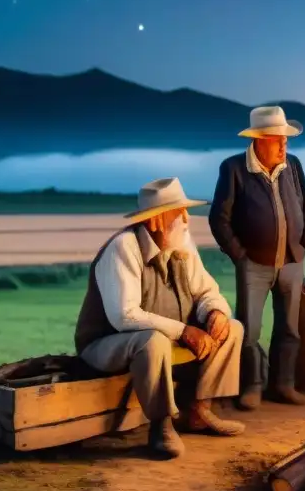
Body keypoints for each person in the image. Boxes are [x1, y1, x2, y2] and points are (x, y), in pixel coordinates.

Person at [74, 177, 245, 459]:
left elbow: (206, 290)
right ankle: (161, 426)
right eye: (179, 212)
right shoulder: (123, 248)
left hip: (167, 343)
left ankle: (199, 411)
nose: (187, 219)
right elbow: (124, 316)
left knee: (232, 327)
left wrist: (214, 311)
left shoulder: (181, 242)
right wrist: (184, 331)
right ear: (155, 220)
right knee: (152, 341)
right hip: (107, 346)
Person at [209, 105, 305, 410]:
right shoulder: (233, 169)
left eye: (286, 138)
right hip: (253, 265)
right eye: (278, 138)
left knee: (290, 329)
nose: (285, 144)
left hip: (292, 262)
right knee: (249, 330)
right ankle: (252, 386)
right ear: (259, 139)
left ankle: (283, 385)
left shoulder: (293, 165)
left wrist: (302, 246)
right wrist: (240, 256)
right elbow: (220, 219)